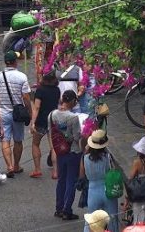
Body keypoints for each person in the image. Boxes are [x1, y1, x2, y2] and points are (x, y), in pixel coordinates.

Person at [0, 50, 32, 177]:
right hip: (18, 113)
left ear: (5, 62)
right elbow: (26, 97)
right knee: (18, 140)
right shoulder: (22, 77)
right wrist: (29, 112)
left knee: (5, 140)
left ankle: (9, 166)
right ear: (16, 62)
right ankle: (16, 165)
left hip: (2, 113)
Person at [49, 90, 83, 220]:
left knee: (61, 180)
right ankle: (67, 209)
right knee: (71, 181)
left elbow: (51, 132)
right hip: (72, 152)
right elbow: (76, 137)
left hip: (59, 151)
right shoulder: (73, 118)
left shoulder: (52, 114)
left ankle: (59, 208)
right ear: (73, 101)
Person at [80, 131, 119, 232]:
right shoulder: (108, 157)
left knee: (91, 220)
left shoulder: (85, 158)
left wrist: (85, 151)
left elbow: (81, 175)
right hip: (108, 190)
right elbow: (115, 171)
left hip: (92, 191)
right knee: (112, 220)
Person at [30, 71, 61, 179]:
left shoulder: (40, 90)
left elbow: (37, 107)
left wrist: (32, 122)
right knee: (53, 147)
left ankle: (37, 169)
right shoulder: (57, 90)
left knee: (35, 144)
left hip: (41, 121)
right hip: (53, 120)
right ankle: (55, 172)